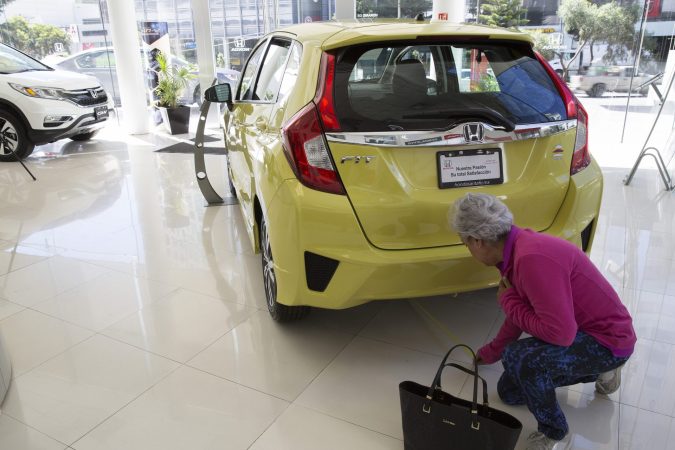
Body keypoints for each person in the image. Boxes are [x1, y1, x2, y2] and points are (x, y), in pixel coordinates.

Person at [450, 193, 636, 450]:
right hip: (584, 334)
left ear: (477, 241)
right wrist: (492, 351)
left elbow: (561, 334)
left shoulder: (531, 258)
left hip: (608, 340)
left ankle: (554, 432)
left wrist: (507, 301)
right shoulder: (513, 251)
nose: (468, 251)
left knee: (519, 358)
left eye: (465, 244)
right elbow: (520, 313)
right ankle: (598, 371)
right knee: (509, 392)